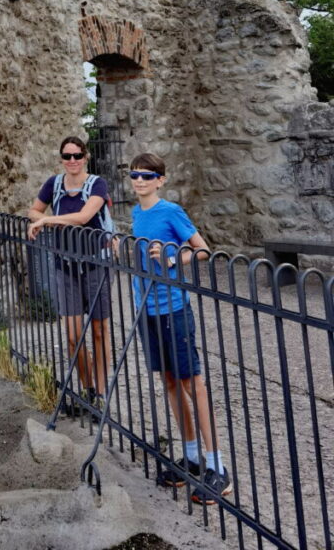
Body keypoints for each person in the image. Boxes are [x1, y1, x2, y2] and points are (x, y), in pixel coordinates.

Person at [128, 152, 232, 505]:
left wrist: (173, 257)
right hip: (148, 311)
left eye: (146, 176)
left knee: (192, 383)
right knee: (169, 382)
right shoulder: (135, 214)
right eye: (134, 175)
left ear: (160, 180)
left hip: (173, 308)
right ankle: (190, 459)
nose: (139, 181)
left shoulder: (170, 211)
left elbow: (203, 251)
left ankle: (218, 467)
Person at [27, 136, 112, 404]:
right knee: (74, 337)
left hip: (95, 262)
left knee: (99, 331)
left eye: (77, 156)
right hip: (66, 265)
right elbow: (33, 211)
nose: (72, 161)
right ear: (61, 159)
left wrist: (50, 220)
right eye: (67, 156)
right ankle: (88, 389)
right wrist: (48, 220)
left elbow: (85, 217)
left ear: (86, 157)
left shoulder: (97, 184)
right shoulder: (53, 184)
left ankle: (101, 391)